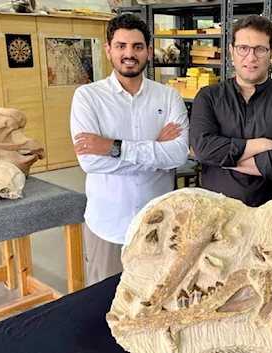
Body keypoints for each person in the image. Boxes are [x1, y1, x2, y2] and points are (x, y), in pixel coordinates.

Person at [70, 13, 190, 286]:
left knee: (155, 299)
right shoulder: (88, 97)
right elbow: (90, 162)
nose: (129, 54)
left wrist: (114, 148)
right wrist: (156, 150)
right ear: (108, 49)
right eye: (121, 46)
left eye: (137, 47)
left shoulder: (168, 96)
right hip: (109, 226)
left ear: (148, 51)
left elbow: (178, 154)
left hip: (158, 226)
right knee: (104, 303)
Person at [189, 15, 272, 207]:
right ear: (231, 51)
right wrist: (262, 144)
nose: (251, 58)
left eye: (260, 49)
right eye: (243, 48)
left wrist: (223, 160)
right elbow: (204, 149)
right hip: (218, 216)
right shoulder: (208, 97)